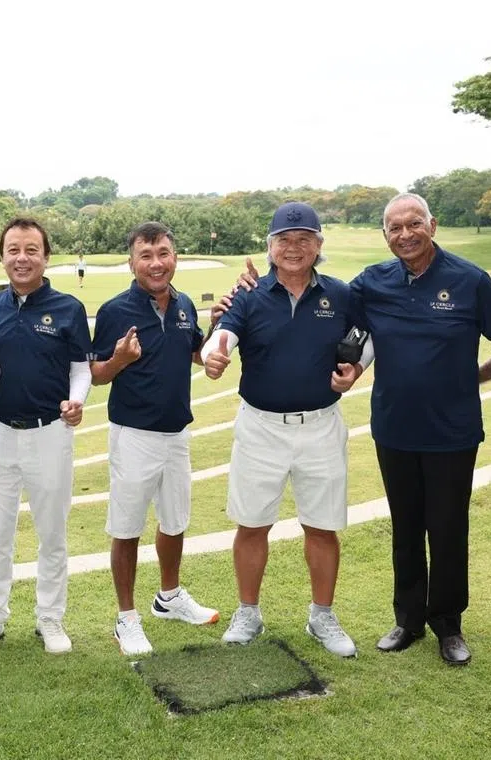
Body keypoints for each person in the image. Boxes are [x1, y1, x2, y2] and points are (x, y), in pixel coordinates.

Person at [232, 193, 491, 666]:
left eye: (414, 224)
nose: (405, 234)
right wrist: (252, 285)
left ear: (432, 224)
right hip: (393, 427)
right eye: (395, 228)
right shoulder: (372, 282)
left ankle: (448, 625)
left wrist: (467, 378)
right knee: (406, 529)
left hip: (452, 429)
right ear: (385, 235)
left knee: (448, 528)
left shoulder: (470, 280)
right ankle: (408, 620)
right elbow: (318, 296)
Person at [202, 202, 371, 658]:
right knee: (252, 524)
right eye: (284, 240)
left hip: (320, 426)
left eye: (304, 239)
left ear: (318, 246)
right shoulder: (249, 294)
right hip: (260, 428)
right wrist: (214, 354)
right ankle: (248, 613)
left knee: (322, 526)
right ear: (270, 247)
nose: (293, 248)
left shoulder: (341, 293)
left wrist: (355, 369)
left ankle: (322, 616)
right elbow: (223, 336)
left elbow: (365, 337)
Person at [0, 217, 93, 659]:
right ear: (2, 257)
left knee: (52, 532)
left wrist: (76, 401)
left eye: (31, 249)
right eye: (13, 249)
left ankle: (49, 617)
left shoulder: (69, 309)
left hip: (50, 434)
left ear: (45, 256)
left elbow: (80, 369)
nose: (22, 258)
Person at [90, 221, 219, 657]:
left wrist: (218, 334)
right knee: (127, 528)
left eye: (163, 253)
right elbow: (97, 375)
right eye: (146, 256)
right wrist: (119, 359)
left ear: (174, 256)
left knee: (175, 520)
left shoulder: (183, 304)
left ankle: (169, 597)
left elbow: (196, 351)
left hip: (176, 432)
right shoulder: (114, 310)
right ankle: (126, 618)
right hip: (134, 435)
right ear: (132, 262)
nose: (156, 263)